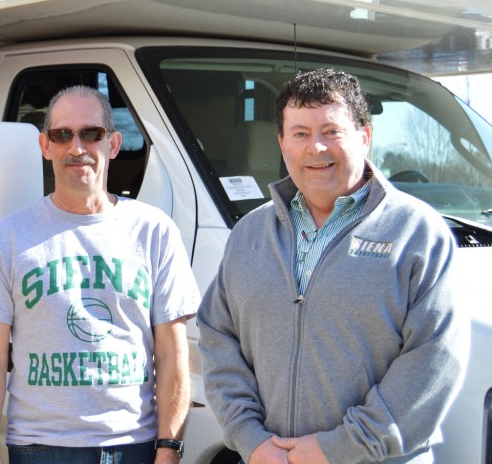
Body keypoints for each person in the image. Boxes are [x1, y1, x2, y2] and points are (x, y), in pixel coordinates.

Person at [198, 68, 469, 463]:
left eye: (332, 131)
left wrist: (339, 448)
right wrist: (250, 438)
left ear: (364, 135)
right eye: (300, 134)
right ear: (282, 142)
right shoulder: (249, 234)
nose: (317, 148)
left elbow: (435, 358)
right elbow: (218, 338)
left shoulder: (417, 232)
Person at [0, 85, 201, 464]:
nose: (77, 148)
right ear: (45, 146)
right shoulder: (9, 236)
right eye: (63, 135)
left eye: (91, 133)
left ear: (113, 143)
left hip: (131, 445)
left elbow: (173, 352)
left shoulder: (154, 231)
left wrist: (168, 448)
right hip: (38, 448)